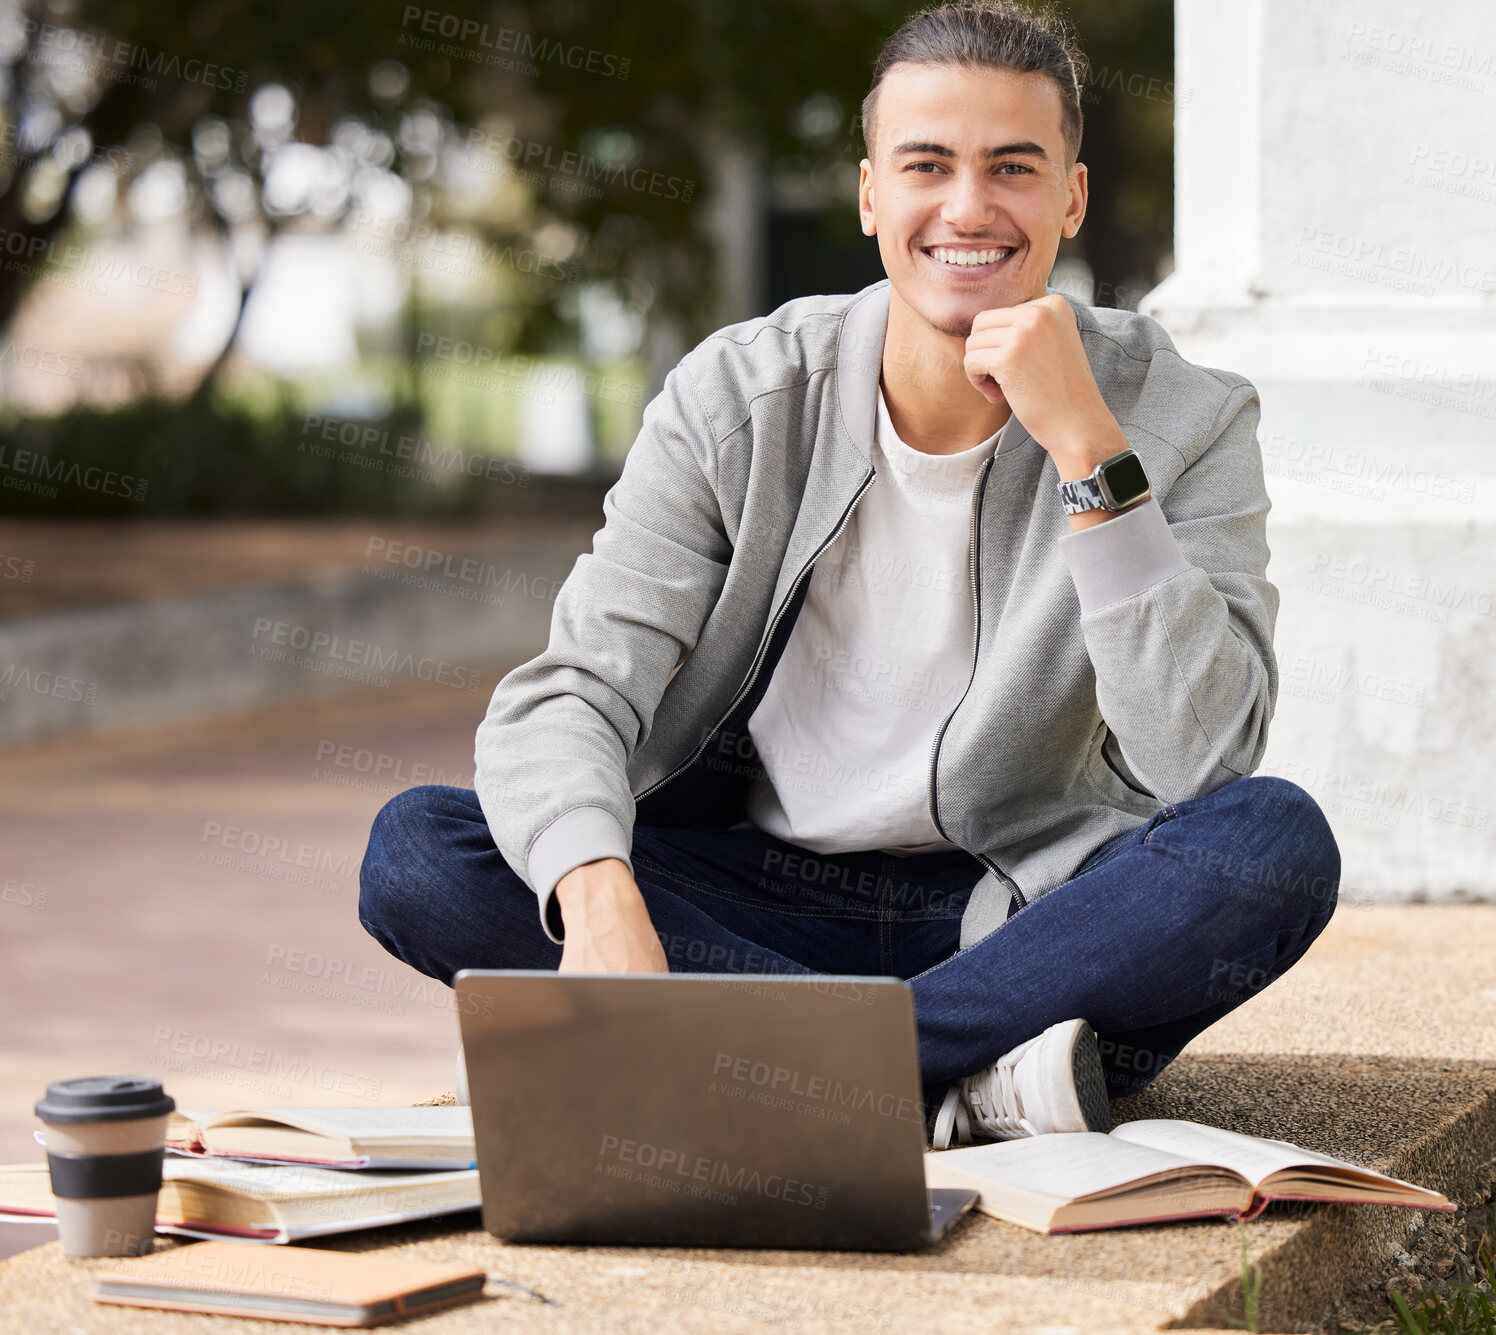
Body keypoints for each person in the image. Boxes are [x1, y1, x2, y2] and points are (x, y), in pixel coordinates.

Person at [358, 0, 1340, 1146]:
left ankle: (786, 1072)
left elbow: (1203, 758)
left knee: (1271, 845)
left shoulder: (1187, 415)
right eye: (926, 166)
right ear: (871, 193)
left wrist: (1087, 449)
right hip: (746, 896)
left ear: (1068, 197)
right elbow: (571, 692)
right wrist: (601, 901)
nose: (966, 209)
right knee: (422, 850)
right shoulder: (741, 396)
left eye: (1011, 169)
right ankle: (948, 1082)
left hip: (1022, 913)